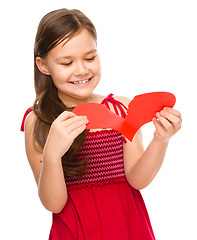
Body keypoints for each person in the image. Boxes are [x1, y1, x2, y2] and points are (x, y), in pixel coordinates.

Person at [21, 8, 182, 240]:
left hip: (128, 226)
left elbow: (137, 179)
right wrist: (53, 153)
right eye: (67, 63)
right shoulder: (38, 120)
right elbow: (54, 204)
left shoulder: (121, 108)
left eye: (90, 58)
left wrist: (161, 139)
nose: (82, 69)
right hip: (75, 230)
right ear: (43, 65)